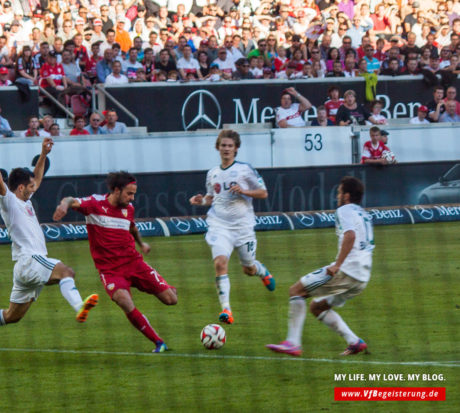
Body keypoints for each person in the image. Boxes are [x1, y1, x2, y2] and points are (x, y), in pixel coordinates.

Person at [0, 136, 99, 353]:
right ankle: (79, 307)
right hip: (31, 260)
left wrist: (43, 154)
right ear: (20, 187)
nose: (35, 188)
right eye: (30, 186)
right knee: (66, 271)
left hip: (24, 266)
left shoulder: (25, 199)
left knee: (12, 316)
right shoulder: (9, 202)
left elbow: (37, 179)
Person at [53, 171, 177, 352]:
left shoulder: (129, 210)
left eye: (134, 194)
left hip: (135, 264)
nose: (132, 198)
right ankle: (159, 342)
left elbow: (132, 227)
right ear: (117, 190)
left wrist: (142, 244)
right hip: (110, 271)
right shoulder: (95, 204)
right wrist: (64, 206)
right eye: (129, 193)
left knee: (171, 300)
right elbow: (70, 199)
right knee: (123, 300)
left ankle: (167, 288)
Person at [267, 176, 373, 357]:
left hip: (347, 270)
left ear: (346, 195)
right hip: (362, 276)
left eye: (339, 192)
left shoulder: (345, 210)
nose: (337, 196)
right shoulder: (363, 213)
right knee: (317, 307)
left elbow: (350, 236)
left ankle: (292, 343)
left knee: (296, 291)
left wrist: (337, 265)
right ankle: (355, 342)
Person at [189, 130, 275, 325]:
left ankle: (261, 271)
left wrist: (244, 191)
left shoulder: (245, 169)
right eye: (223, 145)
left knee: (248, 269)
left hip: (243, 227)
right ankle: (226, 309)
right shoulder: (212, 173)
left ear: (236, 148)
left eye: (230, 146)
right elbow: (211, 198)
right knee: (220, 263)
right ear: (217, 147)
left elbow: (263, 193)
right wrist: (199, 200)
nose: (226, 149)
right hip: (219, 226)